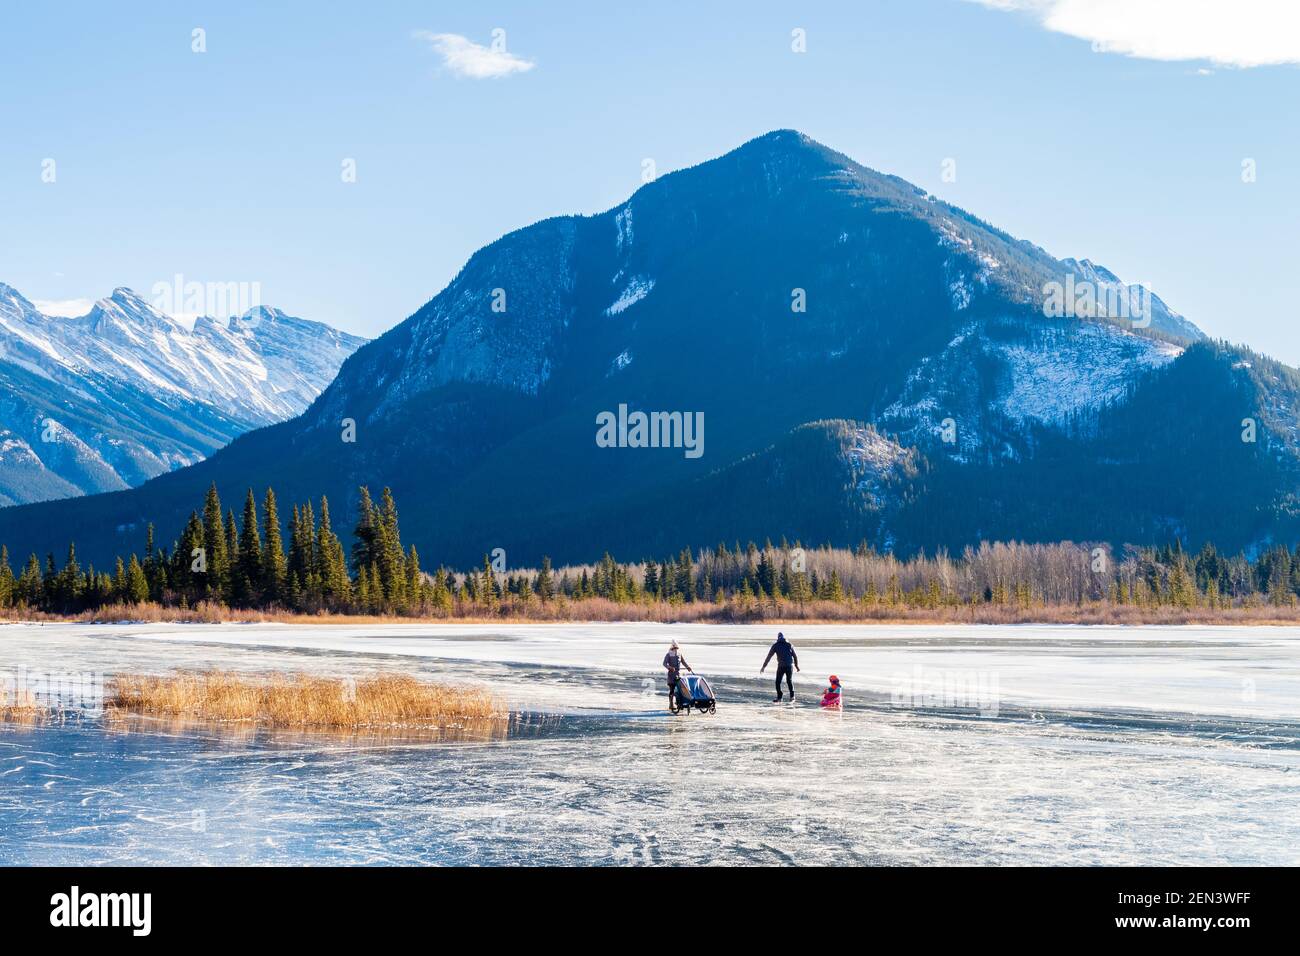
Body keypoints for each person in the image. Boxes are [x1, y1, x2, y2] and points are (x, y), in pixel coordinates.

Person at [760, 632, 799, 702]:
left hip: (781, 666)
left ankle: (779, 697)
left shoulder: (775, 645)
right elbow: (795, 656)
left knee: (778, 682)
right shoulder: (789, 645)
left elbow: (769, 656)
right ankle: (792, 696)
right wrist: (796, 666)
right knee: (789, 681)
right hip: (789, 666)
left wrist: (763, 666)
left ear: (778, 638)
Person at [663, 640, 692, 711]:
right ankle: (671, 704)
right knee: (672, 690)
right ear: (672, 647)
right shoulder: (668, 654)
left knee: (680, 690)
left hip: (678, 675)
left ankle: (680, 702)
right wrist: (670, 667)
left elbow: (683, 662)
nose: (676, 649)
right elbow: (664, 663)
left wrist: (687, 667)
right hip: (671, 675)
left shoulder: (679, 654)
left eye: (676, 647)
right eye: (674, 647)